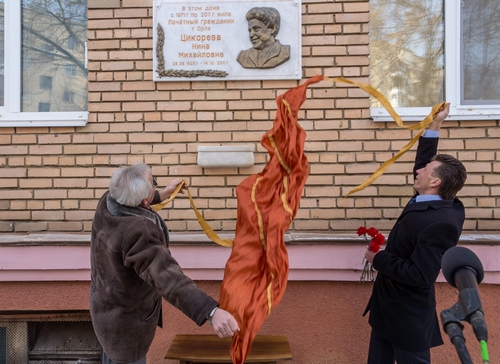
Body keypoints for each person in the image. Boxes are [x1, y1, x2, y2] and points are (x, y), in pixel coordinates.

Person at [90, 163, 239, 364]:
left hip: (105, 312)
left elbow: (132, 200)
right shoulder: (138, 233)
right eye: (155, 184)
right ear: (144, 200)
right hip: (127, 327)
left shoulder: (108, 201)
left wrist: (163, 193)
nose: (156, 187)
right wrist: (211, 312)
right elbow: (169, 278)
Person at [363, 102, 467, 364]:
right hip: (387, 307)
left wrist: (379, 260)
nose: (418, 170)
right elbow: (423, 162)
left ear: (435, 182)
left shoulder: (442, 222)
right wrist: (435, 124)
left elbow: (421, 275)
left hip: (408, 316)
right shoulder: (430, 198)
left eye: (425, 170)